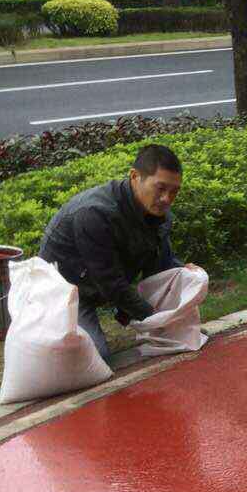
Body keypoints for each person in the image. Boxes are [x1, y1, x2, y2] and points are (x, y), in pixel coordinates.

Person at [39, 143, 196, 362]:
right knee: (94, 358)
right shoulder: (94, 213)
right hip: (65, 292)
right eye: (160, 188)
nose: (167, 199)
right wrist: (153, 317)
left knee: (185, 277)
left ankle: (159, 325)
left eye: (174, 192)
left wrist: (185, 272)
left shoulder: (159, 214)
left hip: (99, 284)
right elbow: (110, 282)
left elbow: (161, 264)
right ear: (135, 176)